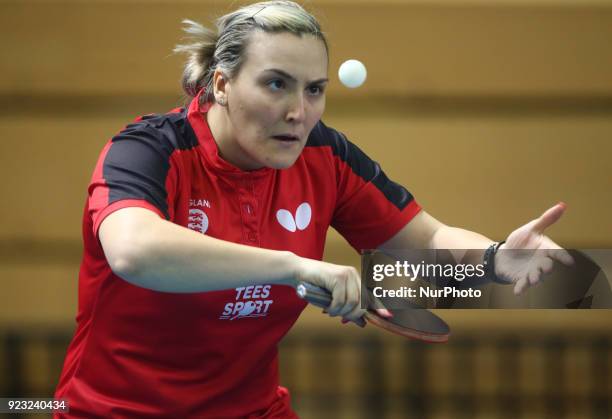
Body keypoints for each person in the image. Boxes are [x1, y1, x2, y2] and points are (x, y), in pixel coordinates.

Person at [54, 1, 573, 417]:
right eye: (276, 83)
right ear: (221, 84)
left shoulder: (325, 155)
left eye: (314, 90)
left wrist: (494, 260)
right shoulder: (150, 149)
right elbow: (133, 250)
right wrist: (296, 266)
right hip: (112, 410)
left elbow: (424, 240)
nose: (298, 112)